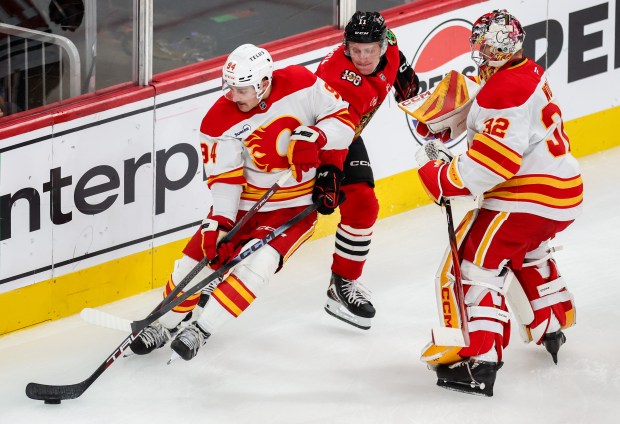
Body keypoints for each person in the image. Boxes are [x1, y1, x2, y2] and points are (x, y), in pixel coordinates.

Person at [127, 43, 355, 361]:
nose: (234, 96)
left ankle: (200, 330)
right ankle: (163, 324)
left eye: (242, 89)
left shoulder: (301, 83)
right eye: (230, 87)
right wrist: (220, 224)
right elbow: (225, 182)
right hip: (243, 207)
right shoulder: (217, 121)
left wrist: (315, 137)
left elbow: (345, 123)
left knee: (256, 265)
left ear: (264, 83)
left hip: (292, 205)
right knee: (193, 263)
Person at [413, 9, 583, 396]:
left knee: (474, 267)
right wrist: (445, 120)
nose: (477, 51)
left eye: (483, 45)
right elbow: (488, 104)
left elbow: (495, 162)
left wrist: (440, 177)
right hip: (563, 191)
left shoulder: (503, 91)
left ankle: (479, 360)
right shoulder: (525, 71)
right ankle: (551, 326)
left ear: (495, 48)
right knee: (528, 253)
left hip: (526, 198)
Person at [314, 11, 419, 330]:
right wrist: (328, 171)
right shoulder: (337, 78)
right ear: (345, 48)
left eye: (369, 50)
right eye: (355, 50)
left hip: (347, 136)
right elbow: (331, 132)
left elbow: (406, 86)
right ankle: (212, 287)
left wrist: (406, 77)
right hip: (311, 142)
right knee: (285, 220)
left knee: (363, 206)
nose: (362, 57)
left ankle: (342, 284)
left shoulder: (391, 48)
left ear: (383, 47)